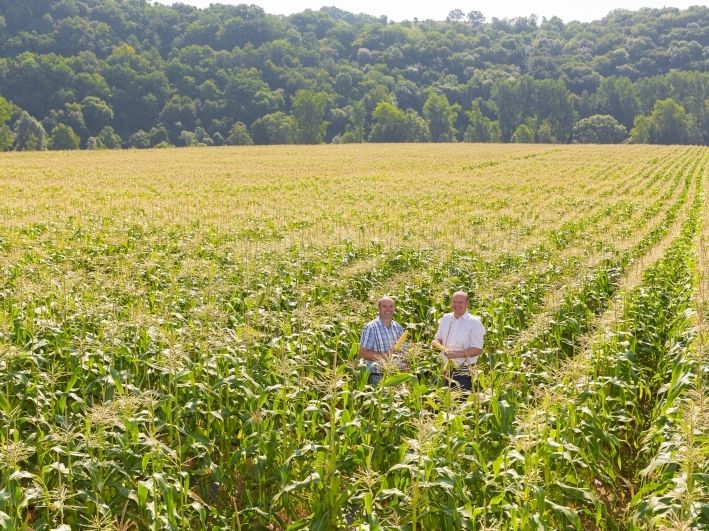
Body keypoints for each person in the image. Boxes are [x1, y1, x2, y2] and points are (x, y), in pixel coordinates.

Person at [432, 291, 485, 392]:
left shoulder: (474, 323)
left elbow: (478, 349)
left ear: (467, 303)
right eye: (454, 302)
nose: (457, 305)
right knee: (444, 400)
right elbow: (438, 338)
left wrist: (457, 354)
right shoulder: (446, 318)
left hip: (464, 371)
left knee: (461, 402)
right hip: (445, 368)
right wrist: (436, 343)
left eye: (460, 302)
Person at [359, 296, 405, 385]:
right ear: (379, 308)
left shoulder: (398, 327)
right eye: (385, 306)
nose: (388, 309)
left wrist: (406, 369)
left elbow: (403, 351)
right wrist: (387, 356)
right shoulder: (371, 327)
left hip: (396, 375)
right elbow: (363, 353)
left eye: (391, 306)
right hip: (377, 376)